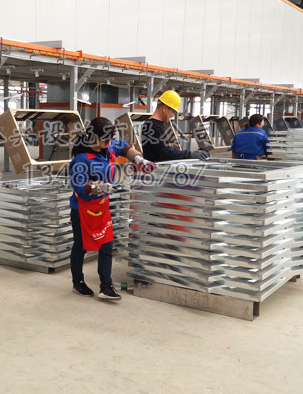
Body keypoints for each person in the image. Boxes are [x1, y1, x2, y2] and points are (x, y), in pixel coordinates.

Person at [69, 117, 155, 301]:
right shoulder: (81, 159)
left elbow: (124, 147)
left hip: (102, 207)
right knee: (81, 246)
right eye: (105, 139)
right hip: (82, 209)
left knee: (106, 245)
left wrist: (138, 158)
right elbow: (80, 187)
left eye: (110, 139)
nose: (109, 143)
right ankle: (78, 281)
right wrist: (98, 188)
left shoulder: (108, 147)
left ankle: (106, 286)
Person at [140, 90, 210, 162]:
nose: (172, 115)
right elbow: (165, 153)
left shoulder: (156, 124)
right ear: (164, 108)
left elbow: (164, 151)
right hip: (155, 168)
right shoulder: (152, 126)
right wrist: (190, 154)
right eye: (173, 111)